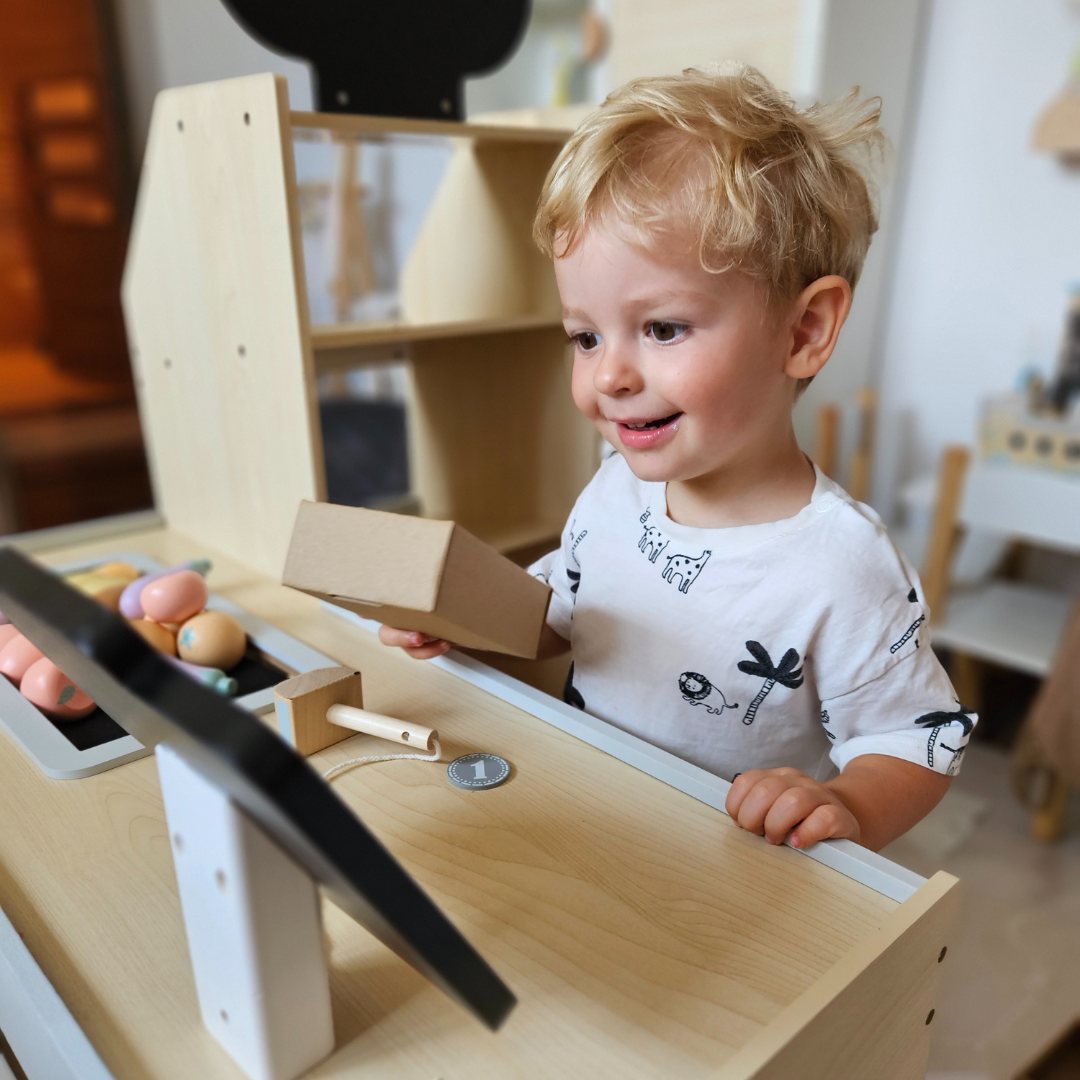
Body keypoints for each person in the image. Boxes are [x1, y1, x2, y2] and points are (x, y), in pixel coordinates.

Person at [380, 66, 976, 852]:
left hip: (722, 879)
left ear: (803, 332)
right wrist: (467, 622)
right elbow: (572, 614)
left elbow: (914, 739)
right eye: (585, 336)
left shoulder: (843, 566)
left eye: (661, 328)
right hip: (587, 818)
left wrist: (848, 805)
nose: (609, 376)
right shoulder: (615, 487)